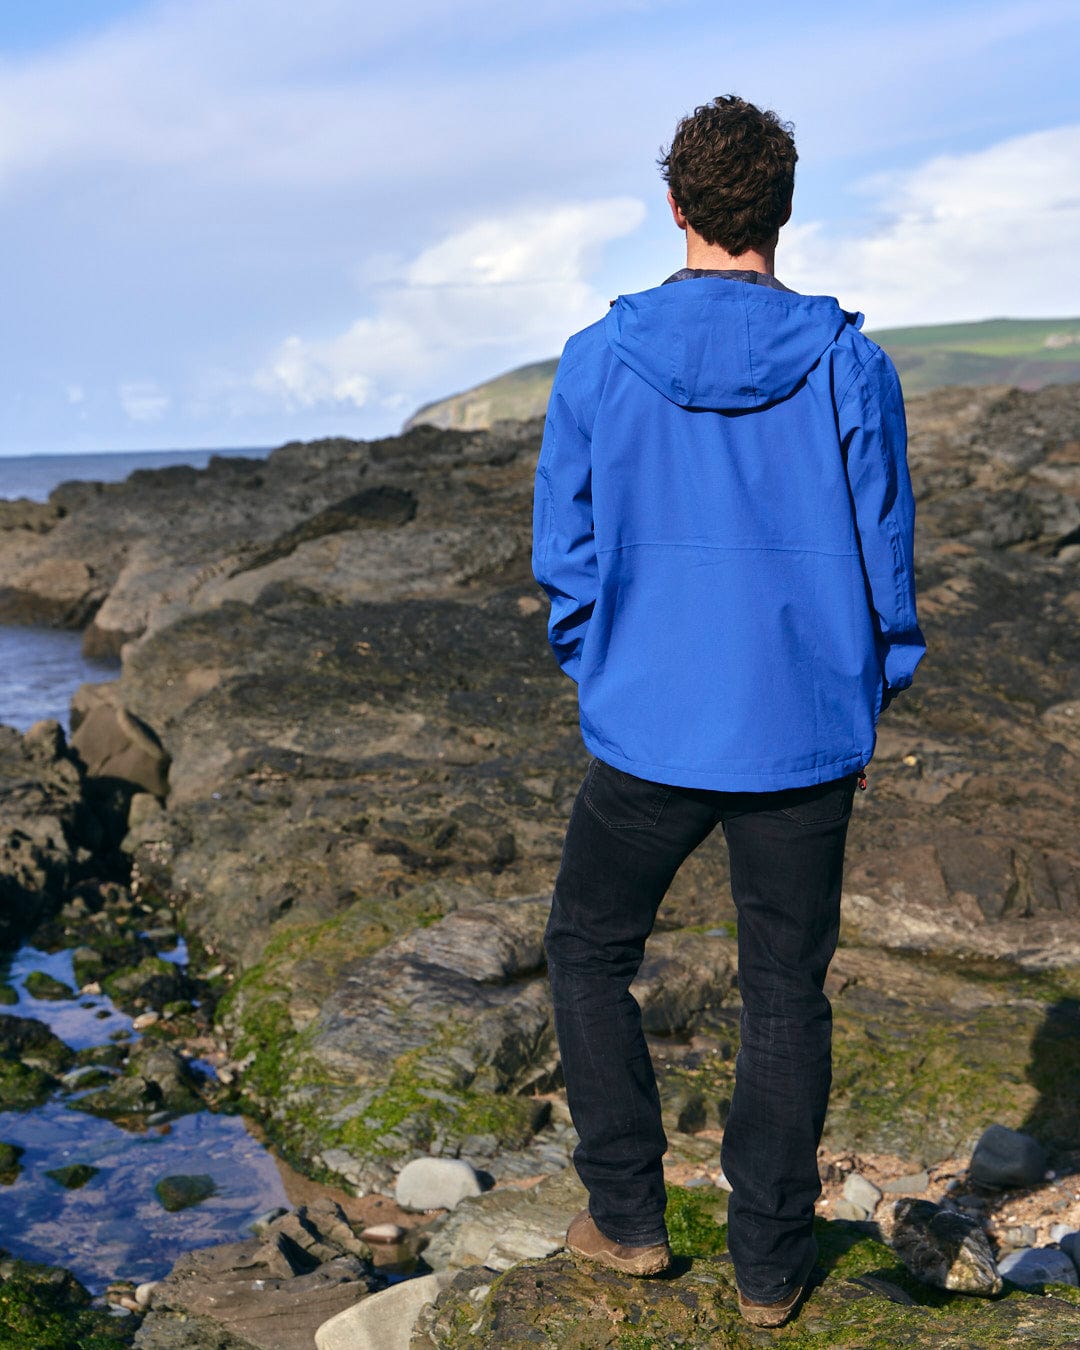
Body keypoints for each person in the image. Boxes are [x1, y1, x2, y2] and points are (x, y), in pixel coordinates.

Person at [531, 94, 924, 1328]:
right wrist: (867, 701)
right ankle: (766, 1270)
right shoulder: (851, 362)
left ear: (677, 206)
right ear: (784, 211)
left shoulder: (600, 357)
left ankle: (629, 1220)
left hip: (649, 730)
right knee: (783, 990)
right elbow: (885, 565)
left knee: (587, 950)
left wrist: (604, 668)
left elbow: (568, 552)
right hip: (804, 735)